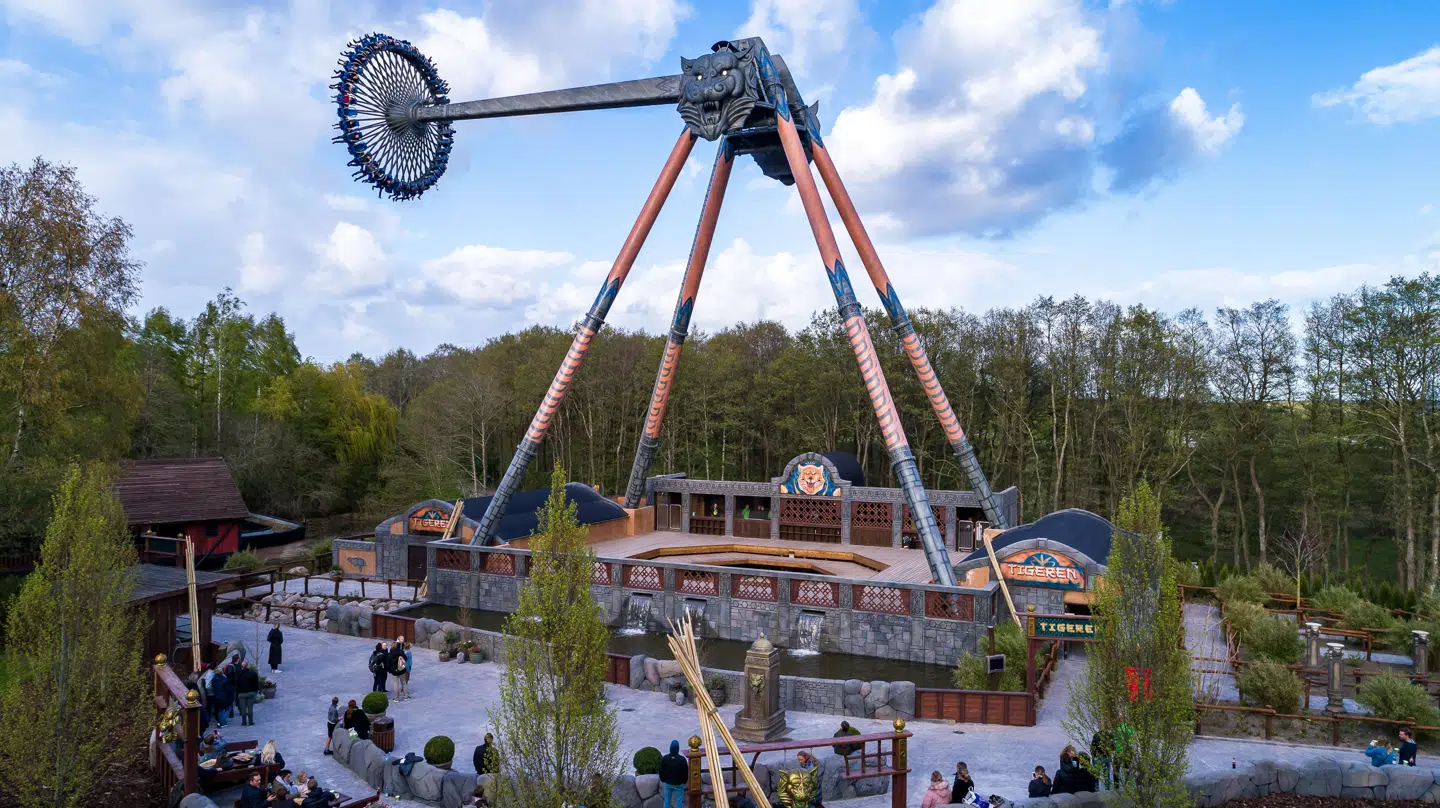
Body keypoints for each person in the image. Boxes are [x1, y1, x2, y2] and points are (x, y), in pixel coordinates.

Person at [658, 739, 688, 808]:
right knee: (679, 801)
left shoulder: (665, 758)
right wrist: (683, 782)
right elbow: (685, 773)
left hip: (667, 783)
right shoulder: (682, 759)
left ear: (670, 748)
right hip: (679, 784)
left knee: (667, 801)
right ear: (678, 748)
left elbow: (661, 771)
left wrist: (663, 780)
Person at [236, 661, 260, 727]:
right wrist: (256, 691)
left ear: (241, 667)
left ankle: (244, 722)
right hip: (251, 693)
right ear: (247, 666)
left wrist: (237, 692)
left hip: (241, 693)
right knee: (250, 707)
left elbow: (236, 684)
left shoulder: (238, 674)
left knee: (243, 708)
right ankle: (250, 722)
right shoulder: (253, 673)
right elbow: (256, 683)